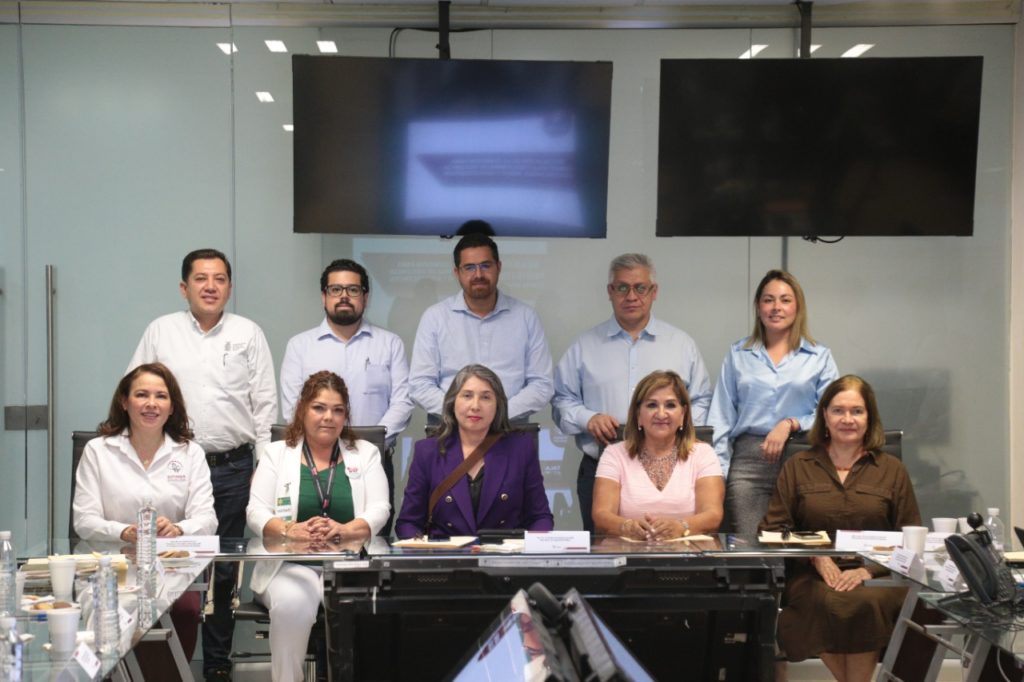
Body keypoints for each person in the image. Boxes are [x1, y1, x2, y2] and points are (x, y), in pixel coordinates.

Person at [128, 248, 277, 682]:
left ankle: (216, 663)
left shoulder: (248, 333)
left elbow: (265, 404)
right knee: (168, 558)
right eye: (200, 279)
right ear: (184, 287)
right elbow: (136, 391)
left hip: (234, 467)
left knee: (224, 568)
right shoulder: (161, 331)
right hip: (172, 464)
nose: (210, 286)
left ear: (229, 286)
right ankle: (160, 662)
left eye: (219, 279)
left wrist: (264, 465)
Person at [760, 375, 920, 682]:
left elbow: (911, 536)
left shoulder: (892, 470)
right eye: (838, 411)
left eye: (857, 411)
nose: (847, 419)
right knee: (824, 601)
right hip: (813, 575)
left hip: (879, 575)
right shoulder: (798, 465)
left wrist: (869, 571)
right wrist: (817, 557)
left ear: (869, 417)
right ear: (824, 415)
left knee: (864, 602)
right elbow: (774, 529)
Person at [552, 253, 712, 532]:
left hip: (673, 469)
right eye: (622, 288)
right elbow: (561, 399)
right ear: (610, 292)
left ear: (654, 292)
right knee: (604, 552)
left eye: (640, 288)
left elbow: (701, 400)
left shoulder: (681, 345)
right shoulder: (584, 346)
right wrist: (588, 418)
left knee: (674, 546)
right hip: (603, 467)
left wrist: (676, 432)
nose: (631, 296)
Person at [246, 371, 389, 682]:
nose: (328, 417)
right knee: (292, 604)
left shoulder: (365, 453)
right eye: (319, 408)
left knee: (364, 615)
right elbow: (255, 511)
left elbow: (380, 508)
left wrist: (347, 530)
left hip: (349, 567)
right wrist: (288, 530)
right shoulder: (276, 453)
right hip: (290, 565)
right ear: (302, 409)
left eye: (338, 410)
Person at [73, 362, 217, 660]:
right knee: (111, 612)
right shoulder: (98, 451)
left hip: (172, 568)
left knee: (183, 609)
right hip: (112, 567)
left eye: (161, 396)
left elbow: (207, 519)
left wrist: (178, 528)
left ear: (172, 406)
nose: (152, 403)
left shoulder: (190, 453)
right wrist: (124, 531)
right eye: (142, 395)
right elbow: (84, 521)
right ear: (124, 402)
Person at [279, 258, 413, 534]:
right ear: (324, 296)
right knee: (310, 537)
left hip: (374, 461)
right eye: (335, 289)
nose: (344, 296)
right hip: (313, 462)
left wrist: (367, 447)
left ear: (365, 297)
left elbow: (402, 402)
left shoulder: (389, 344)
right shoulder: (300, 346)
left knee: (372, 538)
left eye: (353, 290)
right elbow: (293, 405)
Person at [707, 269, 838, 539]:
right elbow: (721, 417)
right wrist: (717, 473)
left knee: (801, 549)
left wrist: (791, 423)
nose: (776, 307)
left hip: (803, 459)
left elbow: (832, 414)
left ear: (798, 307)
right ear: (758, 307)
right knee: (749, 547)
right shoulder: (738, 354)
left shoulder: (819, 356)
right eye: (768, 300)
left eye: (785, 300)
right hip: (749, 464)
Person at [409, 233, 554, 423]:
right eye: (469, 267)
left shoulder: (526, 317)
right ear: (457, 273)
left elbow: (542, 384)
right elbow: (420, 384)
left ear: (498, 267)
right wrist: (464, 414)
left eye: (486, 266)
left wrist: (499, 414)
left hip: (510, 429)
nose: (478, 275)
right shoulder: (435, 318)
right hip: (450, 430)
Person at [396, 364, 553, 538]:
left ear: (498, 405)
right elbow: (408, 523)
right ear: (452, 402)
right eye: (467, 396)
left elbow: (540, 517)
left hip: (504, 553)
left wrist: (530, 546)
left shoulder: (520, 449)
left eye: (486, 397)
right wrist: (422, 547)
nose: (475, 406)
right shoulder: (427, 451)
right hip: (445, 553)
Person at [592, 370, 723, 540]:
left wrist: (680, 526)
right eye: (652, 405)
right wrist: (627, 527)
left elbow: (713, 515)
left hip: (688, 554)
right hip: (627, 552)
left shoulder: (703, 454)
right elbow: (601, 515)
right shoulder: (614, 454)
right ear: (638, 414)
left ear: (683, 414)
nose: (661, 414)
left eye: (670, 405)